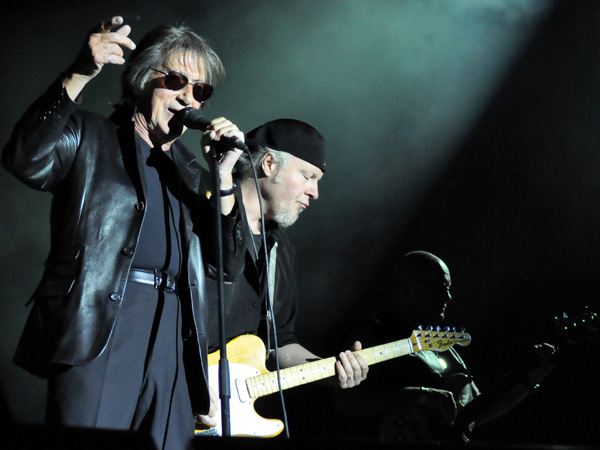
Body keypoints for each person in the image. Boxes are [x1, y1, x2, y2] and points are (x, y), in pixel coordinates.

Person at [2, 15, 247, 450]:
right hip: (101, 327)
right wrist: (79, 72)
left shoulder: (193, 173)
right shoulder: (91, 135)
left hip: (173, 338)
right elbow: (25, 158)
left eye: (201, 91)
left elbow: (225, 265)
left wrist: (224, 177)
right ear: (140, 78)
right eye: (175, 80)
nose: (188, 97)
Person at [202, 119, 369, 434]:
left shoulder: (282, 247)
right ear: (268, 164)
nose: (315, 192)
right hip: (175, 393)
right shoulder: (201, 211)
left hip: (228, 417)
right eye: (308, 176)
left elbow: (280, 342)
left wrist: (328, 370)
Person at [334, 250, 557, 443]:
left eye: (448, 288)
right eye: (440, 288)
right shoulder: (372, 334)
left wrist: (530, 380)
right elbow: (346, 400)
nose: (448, 297)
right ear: (407, 288)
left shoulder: (441, 346)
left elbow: (476, 413)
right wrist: (421, 396)